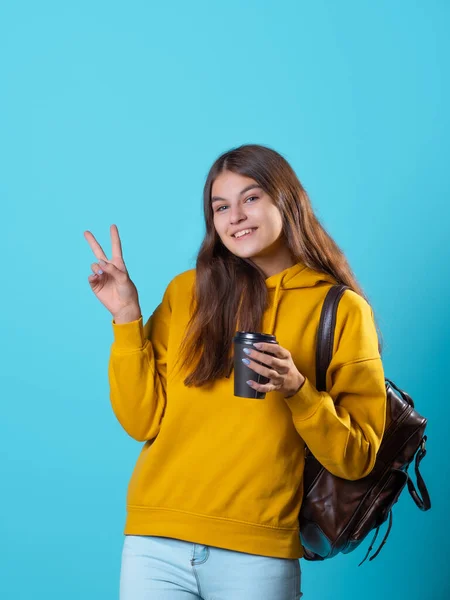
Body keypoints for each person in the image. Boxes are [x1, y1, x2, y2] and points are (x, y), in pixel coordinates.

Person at [84, 144, 386, 600]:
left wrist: (298, 390)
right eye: (221, 206)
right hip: (155, 540)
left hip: (258, 552)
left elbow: (358, 456)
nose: (235, 217)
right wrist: (127, 319)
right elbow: (140, 420)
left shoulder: (340, 310)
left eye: (251, 198)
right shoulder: (188, 292)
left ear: (287, 200)